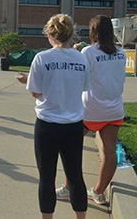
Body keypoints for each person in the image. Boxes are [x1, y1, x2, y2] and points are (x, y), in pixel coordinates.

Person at [16, 14, 89, 219]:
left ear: (49, 35)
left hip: (47, 125)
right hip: (74, 125)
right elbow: (83, 88)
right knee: (75, 176)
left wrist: (27, 82)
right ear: (72, 34)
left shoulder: (42, 58)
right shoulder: (82, 58)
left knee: (46, 178)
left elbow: (35, 92)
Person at [56, 15, 126, 205]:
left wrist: (76, 50)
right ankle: (98, 191)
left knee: (71, 148)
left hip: (90, 110)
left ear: (93, 31)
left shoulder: (88, 52)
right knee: (110, 152)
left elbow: (77, 73)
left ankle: (69, 188)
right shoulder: (121, 52)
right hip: (114, 110)